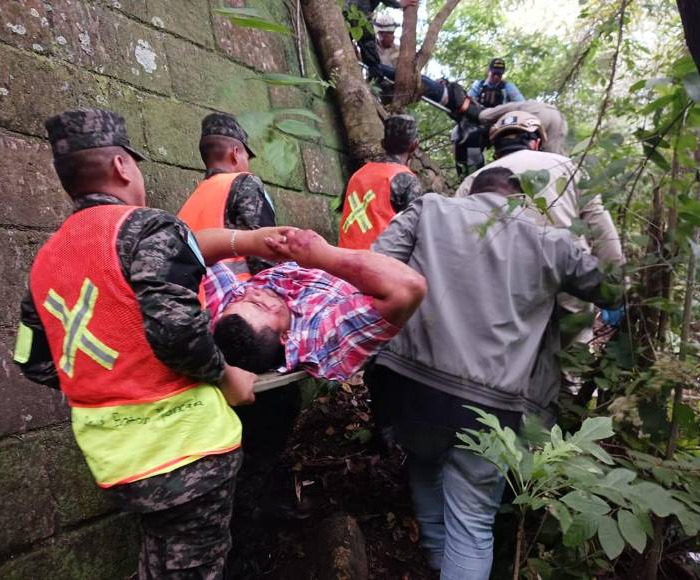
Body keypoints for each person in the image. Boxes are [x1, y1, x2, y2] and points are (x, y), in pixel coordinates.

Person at [13, 108, 271, 579]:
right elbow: (177, 332)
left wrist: (112, 380)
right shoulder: (149, 229)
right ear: (121, 166)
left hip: (117, 461)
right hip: (188, 453)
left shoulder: (45, 259)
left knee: (160, 559)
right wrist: (225, 375)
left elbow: (33, 361)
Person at [367, 166, 623, 579]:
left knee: (424, 463)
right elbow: (611, 288)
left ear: (472, 190)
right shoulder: (550, 241)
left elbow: (375, 268)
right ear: (520, 198)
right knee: (472, 521)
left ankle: (435, 558)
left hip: (410, 386)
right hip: (492, 407)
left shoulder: (429, 209)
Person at [457, 110, 624, 343]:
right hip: (569, 289)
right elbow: (603, 234)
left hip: (504, 294)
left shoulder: (474, 180)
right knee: (570, 357)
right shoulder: (570, 168)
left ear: (495, 148)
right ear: (536, 142)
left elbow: (459, 242)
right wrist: (614, 288)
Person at [192, 227, 427, 380]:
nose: (252, 291)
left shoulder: (232, 312)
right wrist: (322, 255)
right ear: (285, 337)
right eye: (260, 305)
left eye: (241, 297)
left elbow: (188, 247)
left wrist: (251, 240)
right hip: (387, 282)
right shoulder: (321, 339)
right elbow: (409, 288)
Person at [178, 111, 276, 280]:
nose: (248, 165)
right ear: (235, 153)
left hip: (197, 295)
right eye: (247, 157)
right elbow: (265, 250)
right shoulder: (244, 183)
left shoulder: (189, 204)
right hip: (241, 292)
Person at [338, 115, 422, 250]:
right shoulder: (407, 180)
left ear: (382, 144)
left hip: (343, 256)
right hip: (376, 259)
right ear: (414, 145)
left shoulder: (358, 173)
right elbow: (414, 232)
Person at [344, 0, 418, 81]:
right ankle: (376, 80)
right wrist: (398, 4)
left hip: (348, 14)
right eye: (387, 33)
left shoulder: (396, 49)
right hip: (356, 10)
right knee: (368, 47)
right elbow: (367, 41)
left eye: (391, 33)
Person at [479, 100, 569, 155]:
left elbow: (484, 115)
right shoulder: (524, 103)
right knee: (554, 155)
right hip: (558, 115)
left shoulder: (518, 105)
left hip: (536, 113)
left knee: (523, 152)